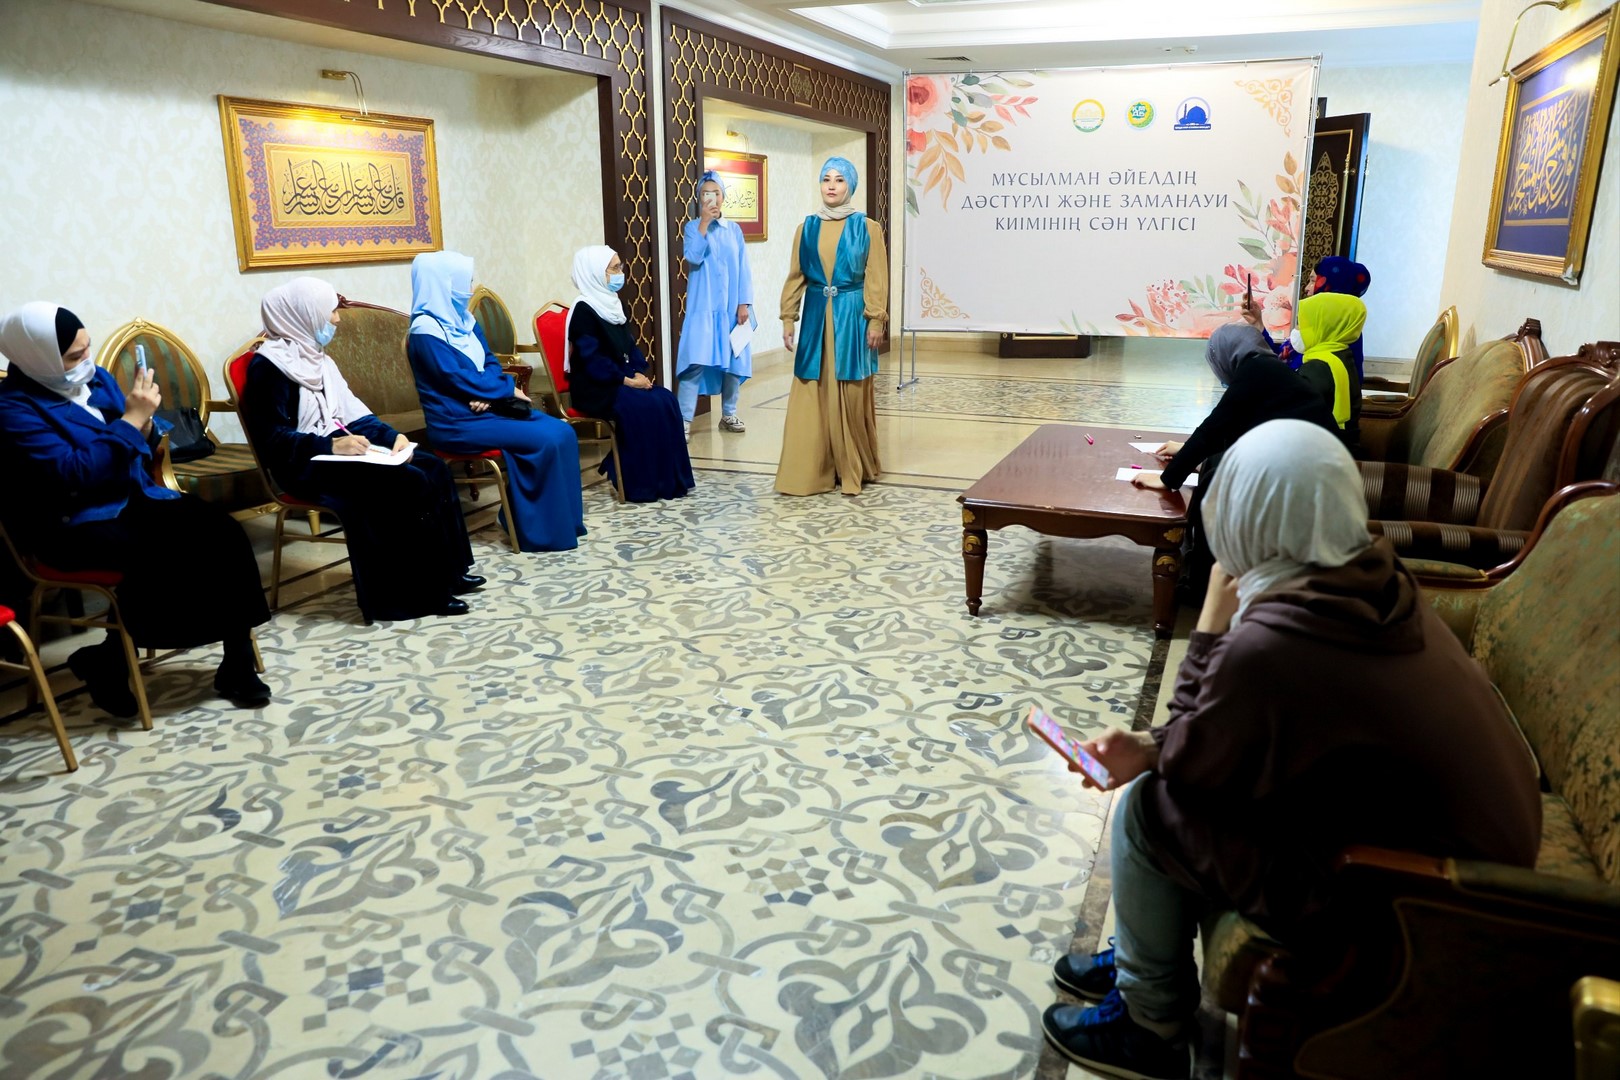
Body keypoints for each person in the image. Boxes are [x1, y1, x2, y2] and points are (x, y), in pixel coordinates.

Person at [1041, 420, 1541, 1080]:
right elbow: (1244, 728)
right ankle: (1145, 944)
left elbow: (1191, 757)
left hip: (1410, 902)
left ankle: (1147, 1023)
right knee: (1188, 787)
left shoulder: (1274, 643)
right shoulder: (1370, 577)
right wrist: (1149, 743)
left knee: (1147, 812)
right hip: (1474, 868)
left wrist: (1211, 622)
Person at [0, 303, 271, 714]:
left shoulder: (98, 379)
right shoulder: (13, 408)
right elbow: (72, 474)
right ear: (37, 358)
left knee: (222, 533)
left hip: (133, 497)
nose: (86, 361)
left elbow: (139, 448)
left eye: (87, 348)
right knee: (159, 551)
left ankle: (237, 662)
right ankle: (112, 660)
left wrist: (146, 427)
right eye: (74, 356)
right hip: (71, 522)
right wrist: (130, 422)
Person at [241, 278, 481, 623]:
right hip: (301, 463)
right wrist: (330, 445)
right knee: (407, 481)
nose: (337, 319)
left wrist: (392, 437)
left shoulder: (317, 358)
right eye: (330, 312)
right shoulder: (269, 368)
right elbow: (272, 439)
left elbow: (354, 413)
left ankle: (449, 574)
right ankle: (414, 595)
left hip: (336, 451)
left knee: (433, 467)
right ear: (303, 315)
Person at [1132, 323, 1338, 594]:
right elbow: (1233, 429)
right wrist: (1185, 450)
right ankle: (1200, 559)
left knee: (1215, 485)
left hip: (1308, 474)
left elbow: (1214, 428)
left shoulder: (1255, 372)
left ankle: (1202, 584)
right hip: (1312, 461)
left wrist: (1167, 479)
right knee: (1215, 464)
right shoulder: (1266, 368)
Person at [406, 251, 585, 552]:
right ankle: (538, 531)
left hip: (486, 409)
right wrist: (501, 390)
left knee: (563, 432)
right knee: (545, 440)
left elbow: (489, 362)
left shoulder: (464, 320)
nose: (470, 289)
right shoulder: (425, 331)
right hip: (457, 421)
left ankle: (564, 523)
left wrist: (490, 394)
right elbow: (457, 379)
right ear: (444, 283)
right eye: (465, 282)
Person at [775, 156, 888, 497]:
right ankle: (809, 471)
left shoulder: (867, 227)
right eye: (826, 179)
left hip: (851, 317)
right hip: (815, 318)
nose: (832, 186)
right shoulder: (806, 228)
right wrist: (788, 316)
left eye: (839, 180)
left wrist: (876, 318)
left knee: (850, 391)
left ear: (850, 186)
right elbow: (796, 276)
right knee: (811, 388)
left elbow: (876, 276)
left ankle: (852, 464)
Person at [566, 245, 695, 503]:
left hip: (620, 377)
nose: (620, 273)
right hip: (594, 385)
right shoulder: (583, 311)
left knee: (665, 399)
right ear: (594, 273)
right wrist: (627, 381)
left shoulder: (614, 304)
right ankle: (636, 482)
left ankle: (669, 480)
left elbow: (629, 346)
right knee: (641, 407)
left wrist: (637, 373)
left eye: (620, 267)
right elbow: (592, 360)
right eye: (614, 268)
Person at [677, 170, 755, 441]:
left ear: (723, 197)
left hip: (732, 310)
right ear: (699, 198)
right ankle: (684, 420)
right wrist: (704, 223)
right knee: (695, 362)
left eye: (716, 193)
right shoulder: (692, 228)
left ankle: (728, 414)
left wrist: (744, 303)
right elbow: (693, 257)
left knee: (733, 363)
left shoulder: (734, 230)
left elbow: (743, 268)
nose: (711, 198)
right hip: (703, 309)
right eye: (705, 194)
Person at [1293, 291, 1367, 451]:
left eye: (1301, 323)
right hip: (1342, 446)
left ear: (1323, 327)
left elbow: (1298, 416)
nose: (1297, 329)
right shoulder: (1340, 355)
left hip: (1323, 454)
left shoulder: (1318, 367)